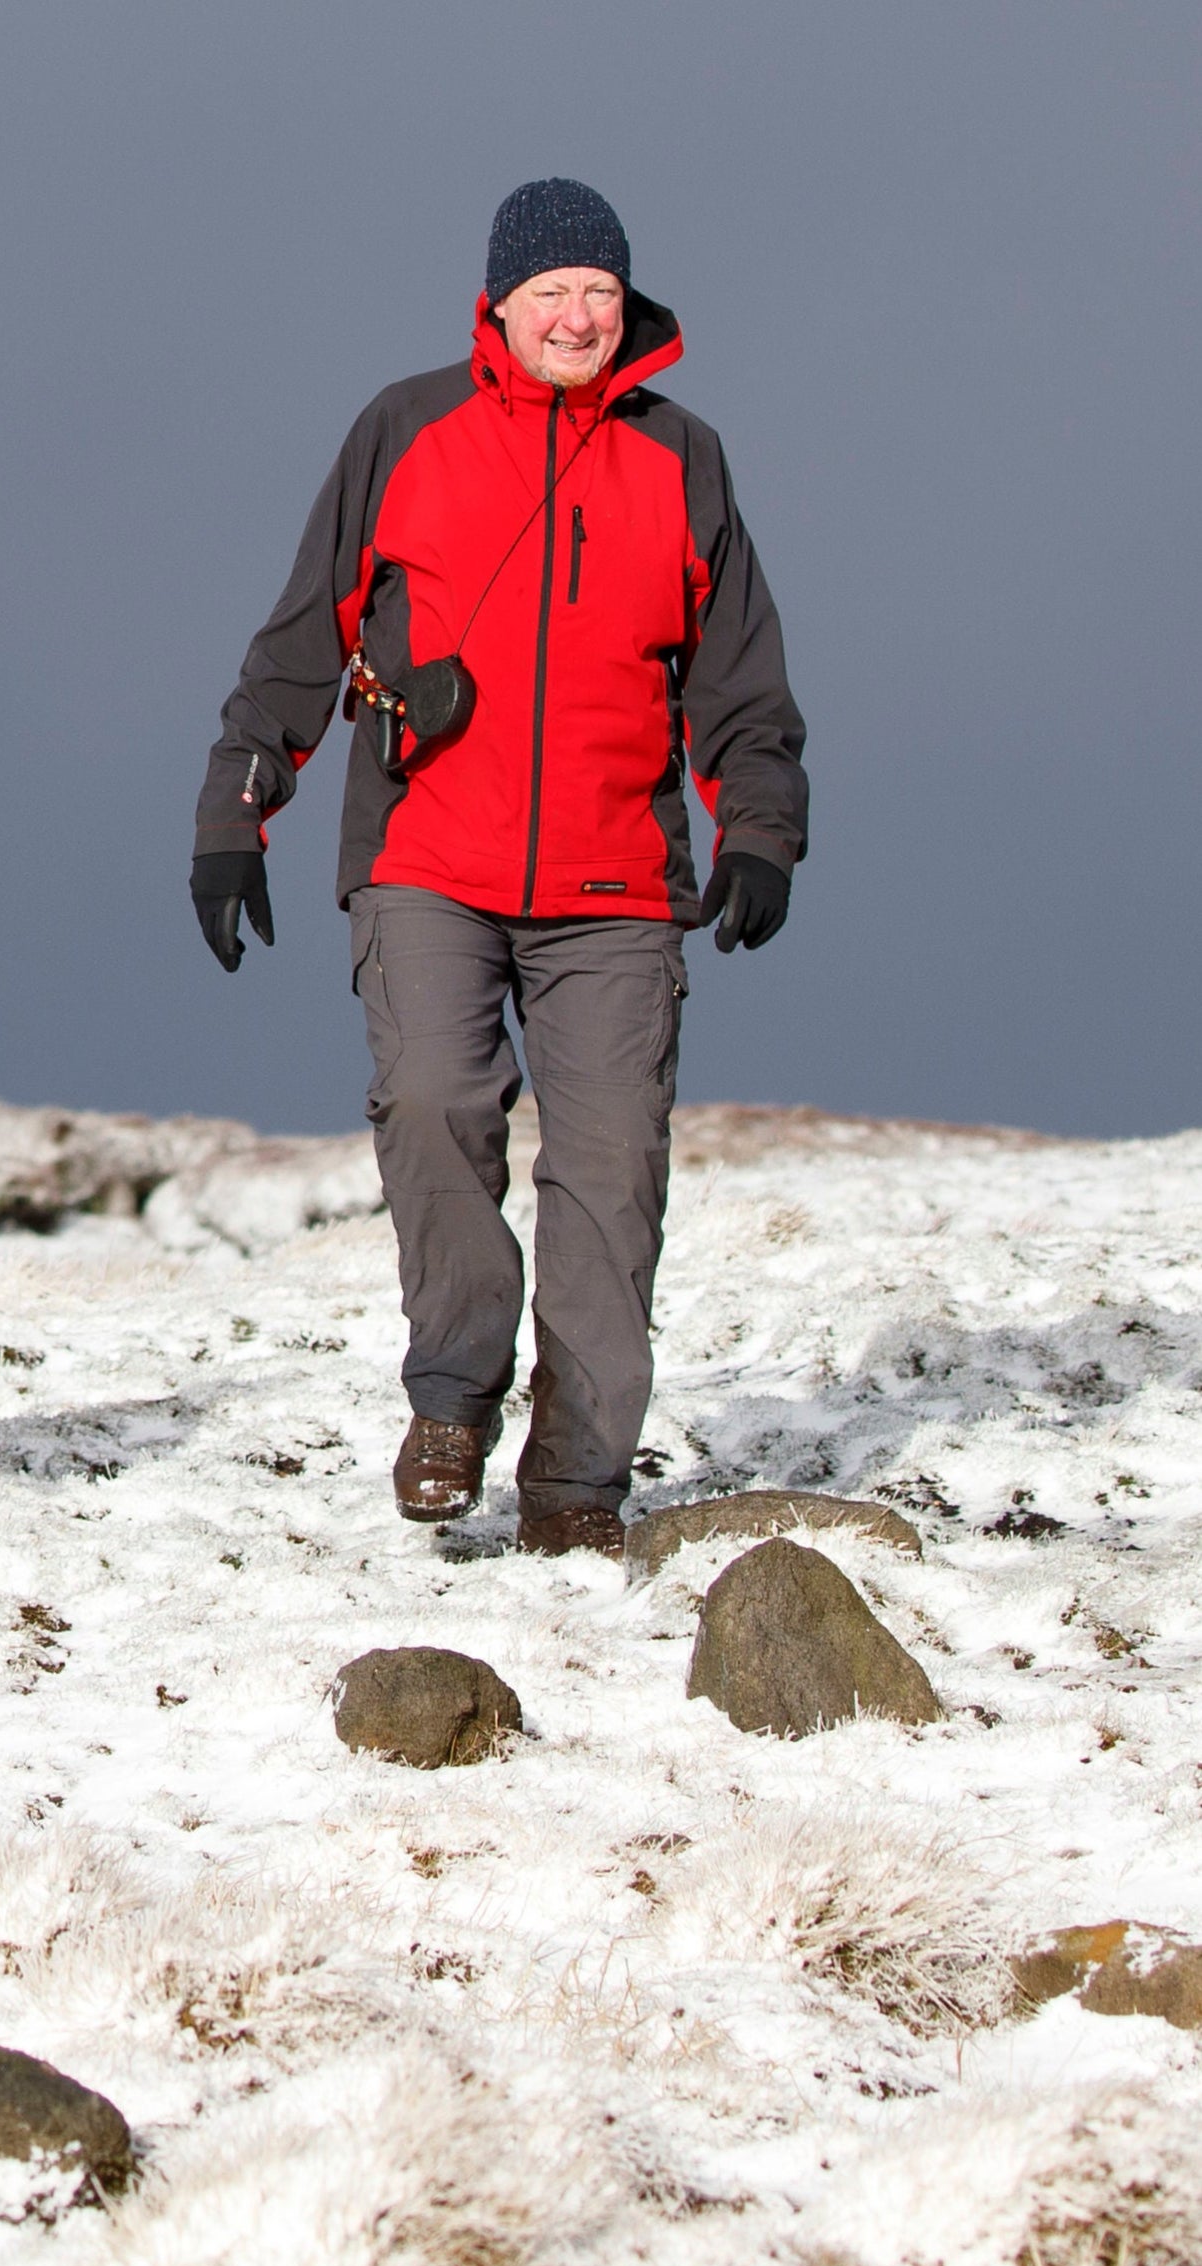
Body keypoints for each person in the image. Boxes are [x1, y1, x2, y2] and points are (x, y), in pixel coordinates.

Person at [191, 181, 807, 1557]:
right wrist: (237, 813)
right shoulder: (403, 429)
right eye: (552, 295)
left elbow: (742, 684)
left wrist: (761, 830)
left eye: (600, 292)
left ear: (625, 306)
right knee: (429, 1102)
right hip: (429, 857)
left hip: (617, 886)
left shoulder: (682, 457)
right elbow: (305, 636)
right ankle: (454, 1395)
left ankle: (580, 1483)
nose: (579, 317)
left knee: (610, 1172)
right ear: (499, 306)